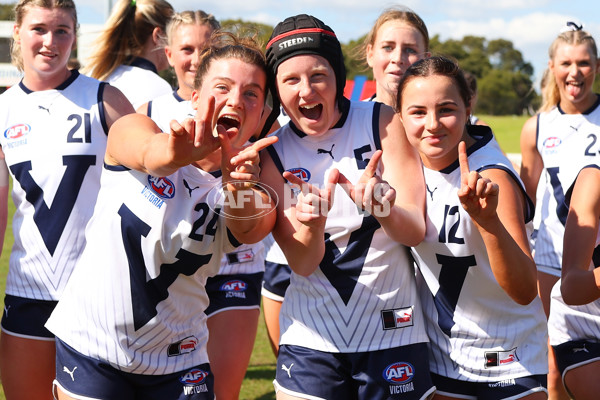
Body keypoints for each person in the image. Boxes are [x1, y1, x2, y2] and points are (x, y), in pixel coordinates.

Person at [45, 31, 277, 399]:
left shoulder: (252, 177)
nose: (235, 100)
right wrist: (175, 152)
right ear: (196, 98)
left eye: (251, 93)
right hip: (94, 348)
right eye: (223, 87)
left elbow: (250, 230)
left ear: (262, 115)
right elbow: (149, 152)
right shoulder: (139, 125)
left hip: (180, 358)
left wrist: (238, 186)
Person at [260, 14, 435, 399]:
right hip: (311, 338)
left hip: (393, 331)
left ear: (338, 76)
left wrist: (383, 208)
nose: (306, 91)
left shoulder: (381, 120)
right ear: (276, 88)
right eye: (291, 79)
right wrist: (310, 225)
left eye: (318, 75)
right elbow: (303, 263)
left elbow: (415, 231)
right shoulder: (272, 151)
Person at [0, 0, 135, 399]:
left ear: (75, 36)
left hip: (99, 294)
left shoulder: (106, 99)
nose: (50, 41)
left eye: (62, 30)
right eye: (39, 28)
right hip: (28, 292)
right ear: (18, 33)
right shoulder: (4, 109)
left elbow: (155, 184)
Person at [397, 56, 548, 399]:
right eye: (418, 112)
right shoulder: (404, 168)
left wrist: (488, 222)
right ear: (400, 115)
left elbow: (525, 291)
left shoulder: (491, 177)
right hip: (439, 362)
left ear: (468, 107)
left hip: (511, 362)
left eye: (446, 109)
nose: (432, 124)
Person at [138, 12, 267, 399]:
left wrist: (241, 188)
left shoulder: (257, 122)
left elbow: (255, 216)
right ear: (170, 52)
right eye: (187, 49)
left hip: (235, 268)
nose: (195, 59)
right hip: (170, 271)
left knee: (221, 389)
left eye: (205, 49)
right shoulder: (151, 112)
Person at [519, 22, 600, 400]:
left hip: (594, 258)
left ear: (596, 66)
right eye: (566, 62)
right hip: (550, 258)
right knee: (552, 362)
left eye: (583, 62)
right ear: (552, 67)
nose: (575, 72)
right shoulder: (536, 127)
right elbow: (526, 201)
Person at [83, 0, 174, 109]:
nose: (175, 43)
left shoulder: (96, 75)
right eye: (173, 35)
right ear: (158, 36)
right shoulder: (159, 89)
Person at [354, 5, 430, 106]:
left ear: (426, 60)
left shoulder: (439, 120)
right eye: (387, 47)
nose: (398, 58)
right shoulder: (348, 119)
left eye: (410, 50)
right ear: (370, 54)